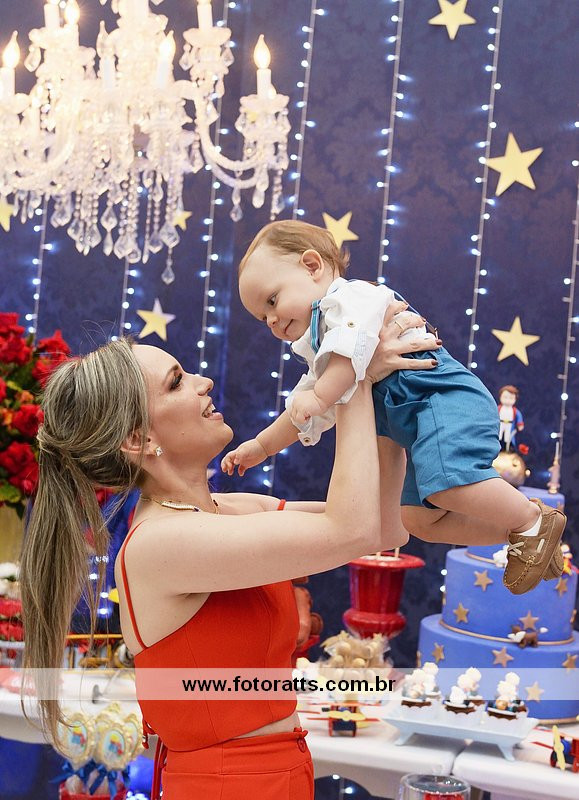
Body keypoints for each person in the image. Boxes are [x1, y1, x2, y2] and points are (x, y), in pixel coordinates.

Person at [19, 316, 434, 800]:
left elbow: (382, 526)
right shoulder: (160, 543)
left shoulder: (233, 509)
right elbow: (352, 528)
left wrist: (379, 391)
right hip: (225, 784)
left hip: (282, 772)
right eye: (177, 382)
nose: (204, 382)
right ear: (138, 440)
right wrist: (352, 373)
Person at [223, 220, 566, 595]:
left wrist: (319, 397)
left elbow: (345, 363)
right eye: (263, 318)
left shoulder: (350, 300)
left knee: (447, 488)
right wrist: (262, 446)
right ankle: (526, 533)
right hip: (419, 423)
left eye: (272, 301)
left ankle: (530, 519)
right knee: (418, 520)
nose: (272, 320)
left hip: (443, 401)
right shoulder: (323, 346)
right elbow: (307, 404)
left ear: (312, 266)